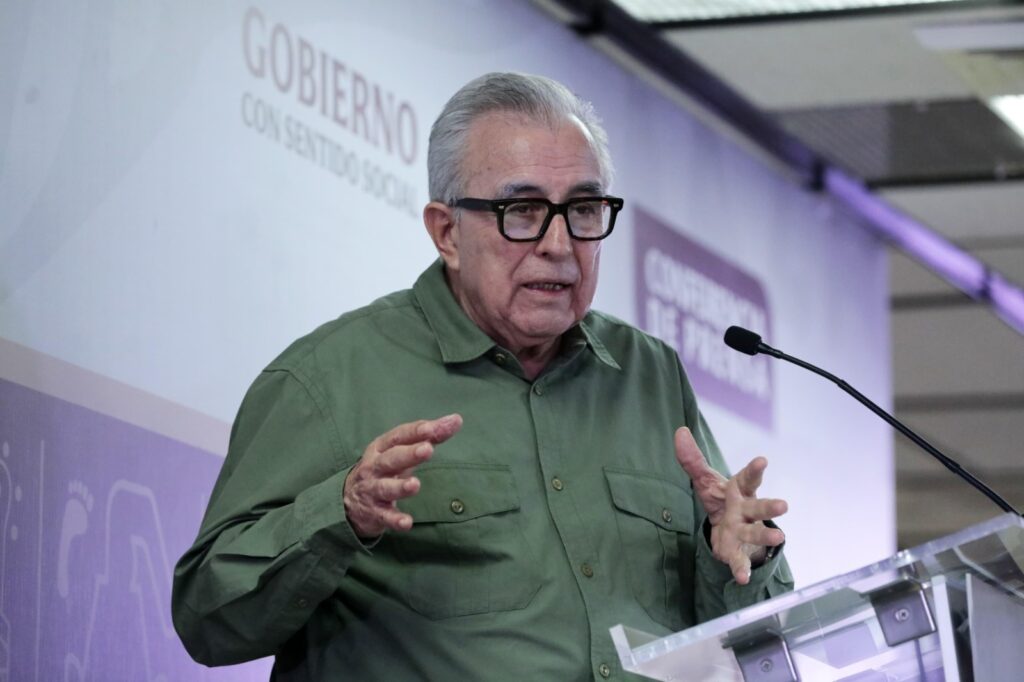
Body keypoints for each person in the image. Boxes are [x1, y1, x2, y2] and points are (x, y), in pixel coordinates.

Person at [172, 72, 793, 681]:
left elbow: (748, 640)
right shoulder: (329, 378)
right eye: (522, 211)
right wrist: (339, 515)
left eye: (583, 209)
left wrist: (737, 557)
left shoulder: (649, 376)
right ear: (446, 232)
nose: (559, 244)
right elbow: (206, 617)